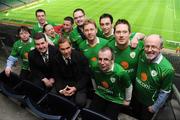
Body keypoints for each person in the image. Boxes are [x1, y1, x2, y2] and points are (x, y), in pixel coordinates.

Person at [132, 34, 174, 120]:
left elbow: (165, 91)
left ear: (161, 48)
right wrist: (135, 37)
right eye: (147, 46)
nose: (149, 50)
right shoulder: (142, 53)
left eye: (154, 47)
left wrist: (155, 107)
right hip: (136, 98)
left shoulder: (167, 69)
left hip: (148, 105)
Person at [90, 47, 133, 120]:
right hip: (101, 94)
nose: (102, 63)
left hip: (115, 98)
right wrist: (95, 89)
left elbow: (129, 86)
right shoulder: (95, 66)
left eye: (106, 59)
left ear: (112, 60)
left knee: (109, 118)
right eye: (100, 59)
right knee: (92, 115)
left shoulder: (120, 73)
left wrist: (127, 100)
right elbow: (93, 77)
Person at [52, 38, 91, 107]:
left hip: (78, 82)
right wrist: (61, 90)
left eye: (68, 48)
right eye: (62, 49)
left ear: (71, 46)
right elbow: (57, 77)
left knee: (80, 102)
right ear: (59, 49)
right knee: (53, 95)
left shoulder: (80, 56)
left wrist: (75, 88)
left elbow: (86, 76)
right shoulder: (55, 59)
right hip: (64, 82)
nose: (66, 51)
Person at [107, 19, 144, 84]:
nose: (121, 35)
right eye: (118, 32)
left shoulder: (139, 45)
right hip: (116, 85)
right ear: (114, 34)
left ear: (130, 34)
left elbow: (148, 39)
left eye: (124, 32)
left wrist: (137, 36)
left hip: (134, 84)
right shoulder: (109, 46)